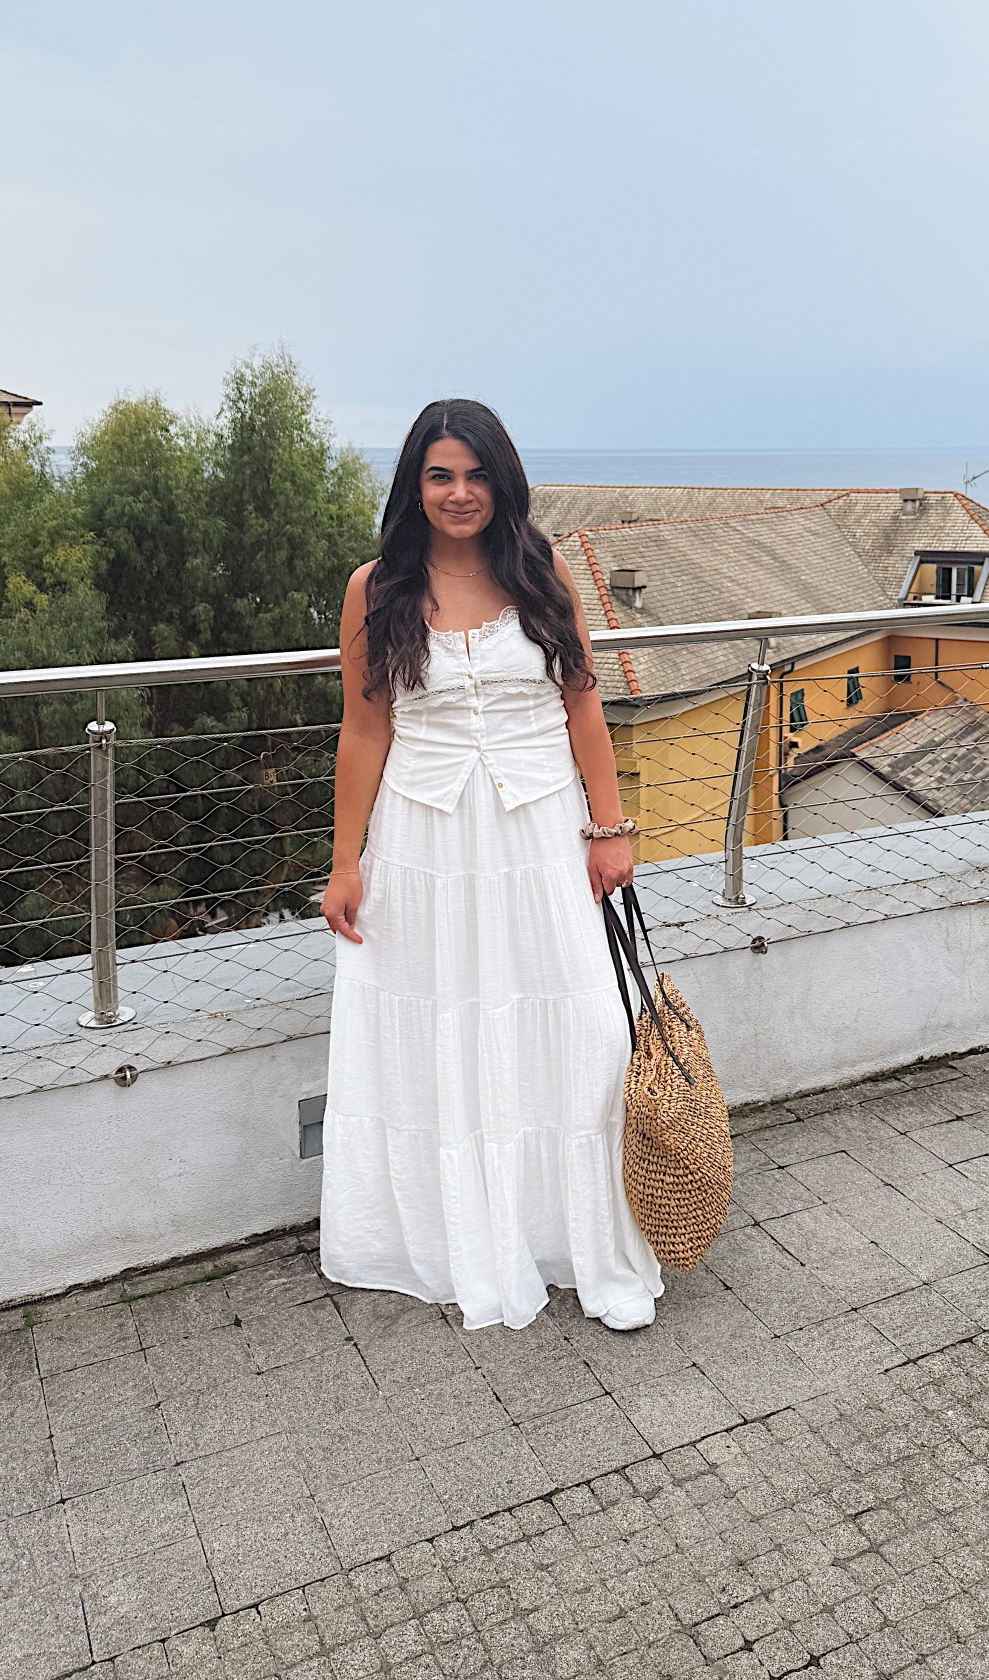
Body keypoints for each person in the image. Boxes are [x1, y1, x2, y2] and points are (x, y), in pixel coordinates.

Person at [318, 399, 662, 1332]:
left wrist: (611, 828)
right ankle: (459, 1233)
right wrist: (344, 864)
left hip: (541, 837)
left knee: (578, 1023)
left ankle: (582, 1239)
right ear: (414, 484)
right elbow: (364, 728)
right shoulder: (374, 587)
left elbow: (583, 706)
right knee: (443, 1024)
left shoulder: (540, 569)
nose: (459, 493)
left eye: (475, 474)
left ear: (501, 480)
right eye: (440, 475)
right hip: (421, 845)